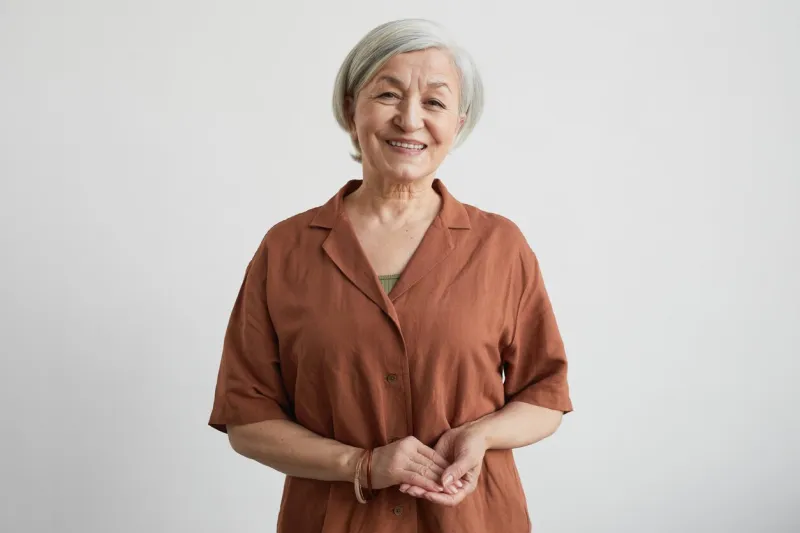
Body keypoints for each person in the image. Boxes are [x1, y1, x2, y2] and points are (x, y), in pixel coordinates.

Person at [208, 18, 573, 533]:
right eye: (388, 94)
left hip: (472, 521)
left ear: (458, 123)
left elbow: (545, 394)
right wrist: (362, 465)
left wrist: (482, 436)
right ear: (350, 108)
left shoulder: (500, 246)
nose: (409, 119)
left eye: (434, 102)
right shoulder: (286, 249)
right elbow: (247, 418)